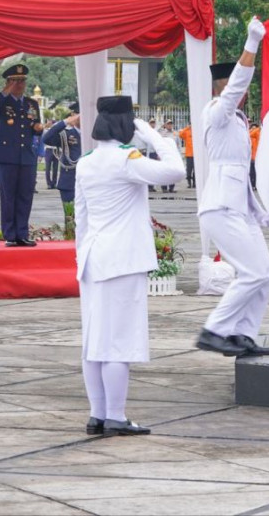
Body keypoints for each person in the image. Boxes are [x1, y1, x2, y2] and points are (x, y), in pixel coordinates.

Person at [75, 95, 185, 436]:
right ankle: (117, 416)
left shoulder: (86, 162)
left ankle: (97, 414)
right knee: (117, 342)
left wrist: (82, 255)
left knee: (94, 341)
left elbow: (81, 218)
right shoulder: (127, 159)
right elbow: (177, 171)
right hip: (121, 261)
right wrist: (156, 138)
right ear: (125, 124)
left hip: (93, 259)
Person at [195, 17, 269, 358]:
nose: (241, 95)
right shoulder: (216, 111)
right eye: (235, 88)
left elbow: (242, 176)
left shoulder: (238, 120)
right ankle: (214, 329)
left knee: (266, 274)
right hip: (220, 208)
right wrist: (252, 44)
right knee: (252, 272)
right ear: (223, 87)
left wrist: (257, 209)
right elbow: (235, 89)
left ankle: (243, 334)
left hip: (239, 208)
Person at [0, 64, 43, 246]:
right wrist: (4, 92)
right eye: (16, 81)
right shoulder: (3, 102)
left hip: (26, 156)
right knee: (8, 196)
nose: (20, 84)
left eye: (22, 81)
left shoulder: (31, 104)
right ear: (8, 82)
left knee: (25, 195)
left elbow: (35, 127)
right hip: (7, 156)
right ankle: (10, 235)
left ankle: (22, 234)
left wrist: (38, 128)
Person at [43, 103, 82, 239]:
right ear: (73, 116)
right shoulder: (66, 134)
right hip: (69, 179)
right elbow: (46, 138)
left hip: (89, 181)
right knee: (70, 217)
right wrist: (64, 122)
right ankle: (71, 240)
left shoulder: (94, 134)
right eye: (79, 115)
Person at [43, 118, 60, 189]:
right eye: (49, 121)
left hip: (56, 149)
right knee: (48, 167)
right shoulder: (46, 130)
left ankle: (54, 183)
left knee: (55, 168)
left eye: (51, 121)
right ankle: (49, 183)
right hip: (49, 149)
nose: (50, 122)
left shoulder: (57, 131)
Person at [178, 123, 195, 188]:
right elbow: (180, 134)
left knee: (195, 170)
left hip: (196, 155)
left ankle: (194, 183)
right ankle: (189, 183)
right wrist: (187, 128)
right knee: (189, 170)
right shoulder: (187, 131)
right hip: (189, 154)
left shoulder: (196, 132)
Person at [249, 122, 261, 190]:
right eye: (252, 128)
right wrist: (258, 128)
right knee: (252, 171)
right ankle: (253, 184)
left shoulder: (257, 134)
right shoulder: (252, 134)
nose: (254, 129)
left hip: (256, 156)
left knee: (255, 171)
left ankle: (255, 184)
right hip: (253, 157)